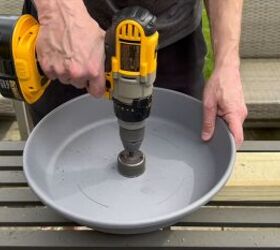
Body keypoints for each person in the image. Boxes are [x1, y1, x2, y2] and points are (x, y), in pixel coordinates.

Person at [23, 0, 247, 147]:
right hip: (67, 46)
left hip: (176, 41)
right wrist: (58, 12)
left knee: (172, 168)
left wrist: (227, 64)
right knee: (60, 160)